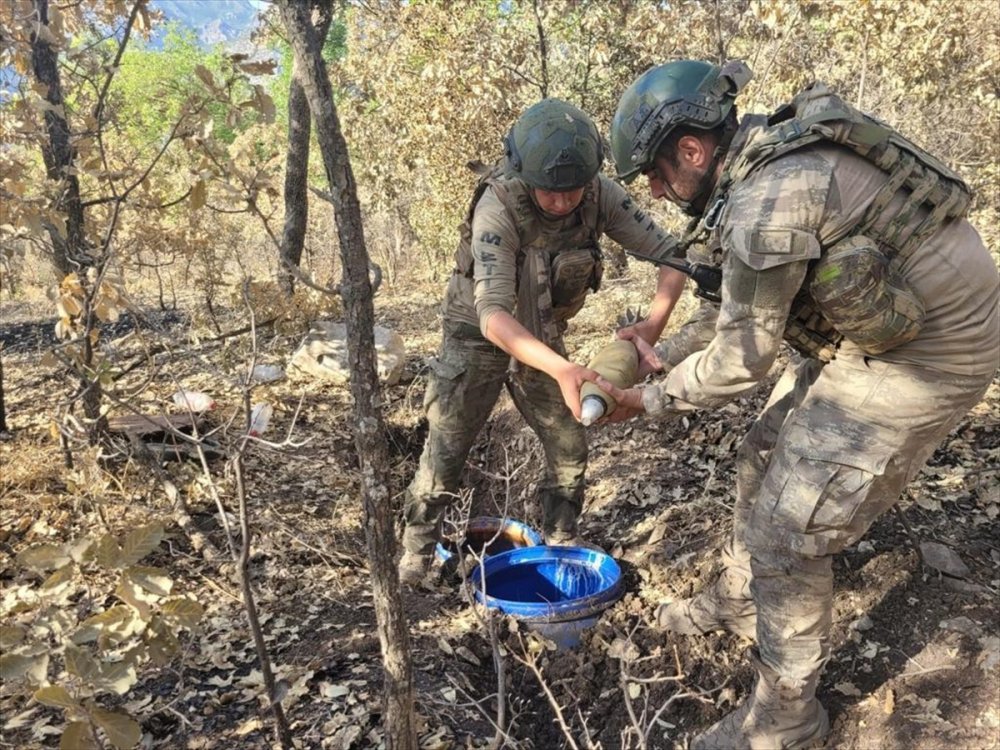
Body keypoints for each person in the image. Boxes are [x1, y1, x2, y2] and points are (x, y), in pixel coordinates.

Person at [601, 59, 999, 749]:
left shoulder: (768, 200)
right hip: (882, 328)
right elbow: (732, 313)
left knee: (791, 530)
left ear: (692, 149)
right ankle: (739, 600)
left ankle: (787, 718)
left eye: (659, 176)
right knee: (762, 453)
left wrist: (649, 398)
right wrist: (659, 345)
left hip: (932, 351)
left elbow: (742, 362)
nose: (659, 194)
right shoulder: (754, 164)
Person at [399, 98, 688, 585]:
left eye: (572, 190)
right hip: (477, 338)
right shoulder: (499, 204)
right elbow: (491, 314)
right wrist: (562, 369)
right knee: (447, 450)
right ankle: (417, 552)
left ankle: (560, 535)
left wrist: (651, 329)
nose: (561, 202)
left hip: (545, 338)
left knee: (570, 439)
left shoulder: (601, 195)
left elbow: (673, 257)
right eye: (549, 192)